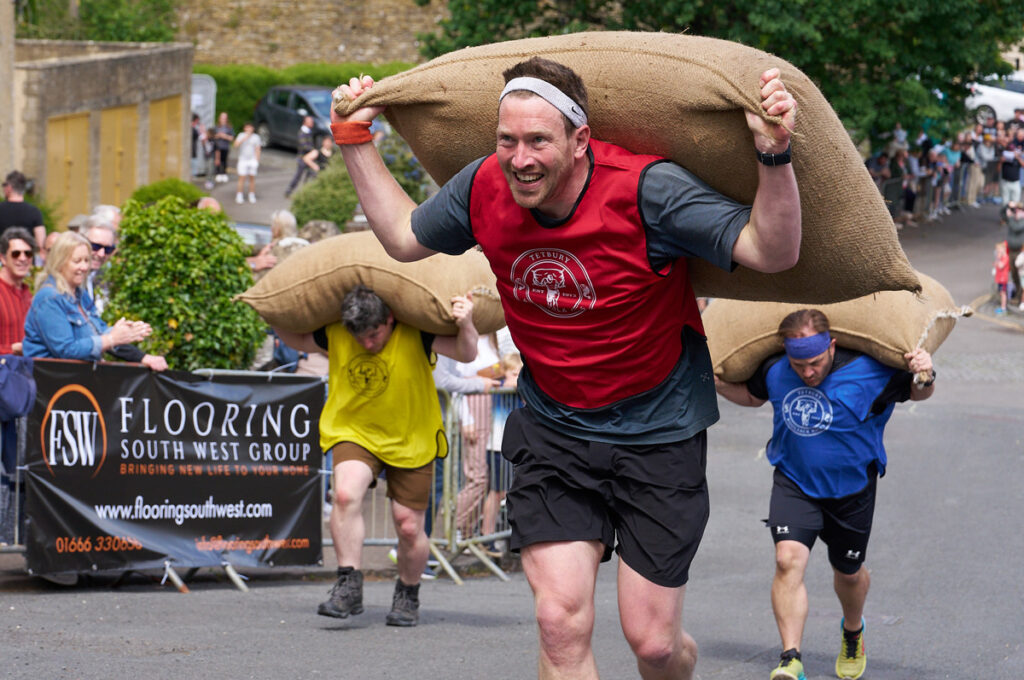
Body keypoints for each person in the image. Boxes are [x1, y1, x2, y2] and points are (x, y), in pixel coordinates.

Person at [333, 56, 800, 678]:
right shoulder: (482, 189)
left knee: (655, 644)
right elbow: (401, 235)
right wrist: (353, 137)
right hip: (555, 429)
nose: (520, 158)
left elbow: (773, 250)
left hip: (658, 434)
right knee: (559, 625)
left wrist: (772, 154)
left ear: (582, 140)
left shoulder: (646, 190)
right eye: (507, 140)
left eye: (537, 141)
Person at [714, 309, 935, 680]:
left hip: (852, 489)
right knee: (787, 561)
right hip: (794, 481)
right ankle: (790, 659)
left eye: (814, 363)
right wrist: (716, 380)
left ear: (832, 346)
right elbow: (754, 396)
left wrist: (926, 373)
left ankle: (853, 631)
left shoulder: (871, 369)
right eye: (798, 364)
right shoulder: (775, 368)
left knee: (848, 573)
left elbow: (917, 392)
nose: (807, 372)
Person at [274, 285, 479, 627]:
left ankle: (408, 593)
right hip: (355, 430)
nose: (367, 344)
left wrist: (467, 324)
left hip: (411, 434)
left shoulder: (418, 331)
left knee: (408, 525)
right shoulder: (338, 332)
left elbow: (466, 353)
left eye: (374, 334)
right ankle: (348, 583)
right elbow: (296, 339)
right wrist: (274, 309)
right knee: (343, 494)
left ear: (390, 319)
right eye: (360, 337)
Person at [22, 232, 167, 371]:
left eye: (86, 260)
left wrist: (126, 336)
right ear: (60, 262)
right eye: (77, 261)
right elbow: (66, 350)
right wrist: (111, 339)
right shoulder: (49, 298)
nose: (84, 267)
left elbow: (99, 332)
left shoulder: (80, 294)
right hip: (51, 385)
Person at [0, 228, 36, 355]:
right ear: (3, 258)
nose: (23, 258)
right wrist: (13, 349)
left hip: (27, 371)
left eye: (28, 254)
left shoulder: (28, 294)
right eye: (16, 254)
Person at [0, 171, 46, 248]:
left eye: (4, 185)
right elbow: (41, 243)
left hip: (3, 257)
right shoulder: (34, 212)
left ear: (9, 187)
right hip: (26, 257)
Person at [84, 216, 117, 314]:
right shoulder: (67, 280)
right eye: (95, 246)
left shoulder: (104, 277)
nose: (101, 254)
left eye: (108, 249)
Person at [285, 115, 317, 198]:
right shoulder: (302, 132)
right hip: (302, 158)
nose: (312, 123)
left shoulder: (308, 131)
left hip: (309, 158)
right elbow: (304, 146)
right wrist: (313, 150)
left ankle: (305, 192)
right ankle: (289, 190)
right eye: (310, 121)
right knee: (298, 175)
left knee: (310, 174)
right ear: (305, 122)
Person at [234, 121, 262, 204]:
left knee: (252, 178)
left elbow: (258, 149)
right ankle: (239, 194)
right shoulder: (241, 135)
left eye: (251, 127)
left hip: (252, 160)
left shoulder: (256, 137)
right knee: (241, 177)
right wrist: (245, 138)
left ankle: (251, 194)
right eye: (247, 127)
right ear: (245, 128)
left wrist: (257, 160)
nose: (249, 129)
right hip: (243, 159)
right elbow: (235, 145)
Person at [212, 112, 234, 184]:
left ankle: (224, 173)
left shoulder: (229, 127)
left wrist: (225, 136)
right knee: (217, 160)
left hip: (225, 147)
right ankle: (218, 173)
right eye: (222, 118)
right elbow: (212, 136)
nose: (223, 119)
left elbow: (232, 138)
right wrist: (218, 135)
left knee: (224, 161)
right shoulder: (216, 127)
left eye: (224, 118)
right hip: (217, 147)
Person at [994, 240, 1011, 315]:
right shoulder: (1001, 258)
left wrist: (998, 259)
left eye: (998, 251)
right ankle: (1002, 306)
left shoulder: (1005, 257)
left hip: (1003, 279)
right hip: (999, 279)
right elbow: (995, 265)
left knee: (1003, 293)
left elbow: (1000, 266)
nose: (997, 252)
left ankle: (1003, 308)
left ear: (1003, 250)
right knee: (1001, 293)